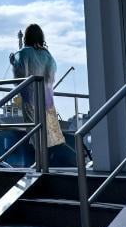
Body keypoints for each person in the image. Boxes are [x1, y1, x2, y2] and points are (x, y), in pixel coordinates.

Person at [11, 23, 77, 168]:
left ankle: (39, 162)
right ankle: (44, 161)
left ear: (26, 37)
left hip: (30, 97)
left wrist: (12, 61)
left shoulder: (23, 52)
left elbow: (19, 77)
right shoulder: (47, 55)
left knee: (34, 129)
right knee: (45, 129)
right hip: (47, 98)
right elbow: (51, 77)